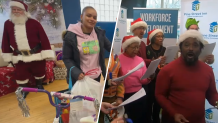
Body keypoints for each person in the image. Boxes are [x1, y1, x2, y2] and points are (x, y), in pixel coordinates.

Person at [155, 30, 218, 123]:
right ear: (180, 48)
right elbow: (159, 95)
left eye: (195, 45)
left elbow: (212, 94)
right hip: (172, 120)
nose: (191, 48)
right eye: (186, 45)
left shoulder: (207, 70)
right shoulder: (167, 70)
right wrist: (174, 113)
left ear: (201, 48)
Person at [1, 0, 54, 98]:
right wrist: (8, 56)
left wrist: (47, 52)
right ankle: (24, 90)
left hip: (36, 54)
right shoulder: (7, 24)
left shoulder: (34, 23)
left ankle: (39, 85)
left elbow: (44, 38)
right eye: (14, 9)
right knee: (21, 74)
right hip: (19, 56)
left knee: (39, 71)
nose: (16, 11)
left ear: (24, 11)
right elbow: (5, 41)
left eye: (19, 9)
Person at [62, 6, 111, 85]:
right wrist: (76, 72)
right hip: (80, 78)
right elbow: (66, 58)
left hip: (96, 77)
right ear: (82, 17)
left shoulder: (99, 34)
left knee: (94, 97)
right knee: (81, 97)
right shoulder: (70, 36)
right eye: (89, 16)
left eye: (94, 17)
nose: (92, 19)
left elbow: (111, 48)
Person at [119, 35, 153, 123]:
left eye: (138, 47)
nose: (136, 50)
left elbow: (144, 80)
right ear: (126, 47)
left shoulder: (140, 60)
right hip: (124, 96)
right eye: (133, 47)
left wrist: (149, 78)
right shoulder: (118, 59)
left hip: (139, 94)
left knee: (139, 118)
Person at [146, 29, 166, 123]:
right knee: (149, 104)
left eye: (162, 36)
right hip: (150, 81)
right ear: (153, 38)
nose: (161, 38)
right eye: (158, 36)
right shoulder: (146, 49)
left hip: (161, 81)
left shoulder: (165, 50)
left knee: (158, 105)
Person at [99, 50, 124, 122]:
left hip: (114, 99)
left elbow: (121, 80)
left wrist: (119, 97)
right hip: (100, 98)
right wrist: (105, 79)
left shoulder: (116, 58)